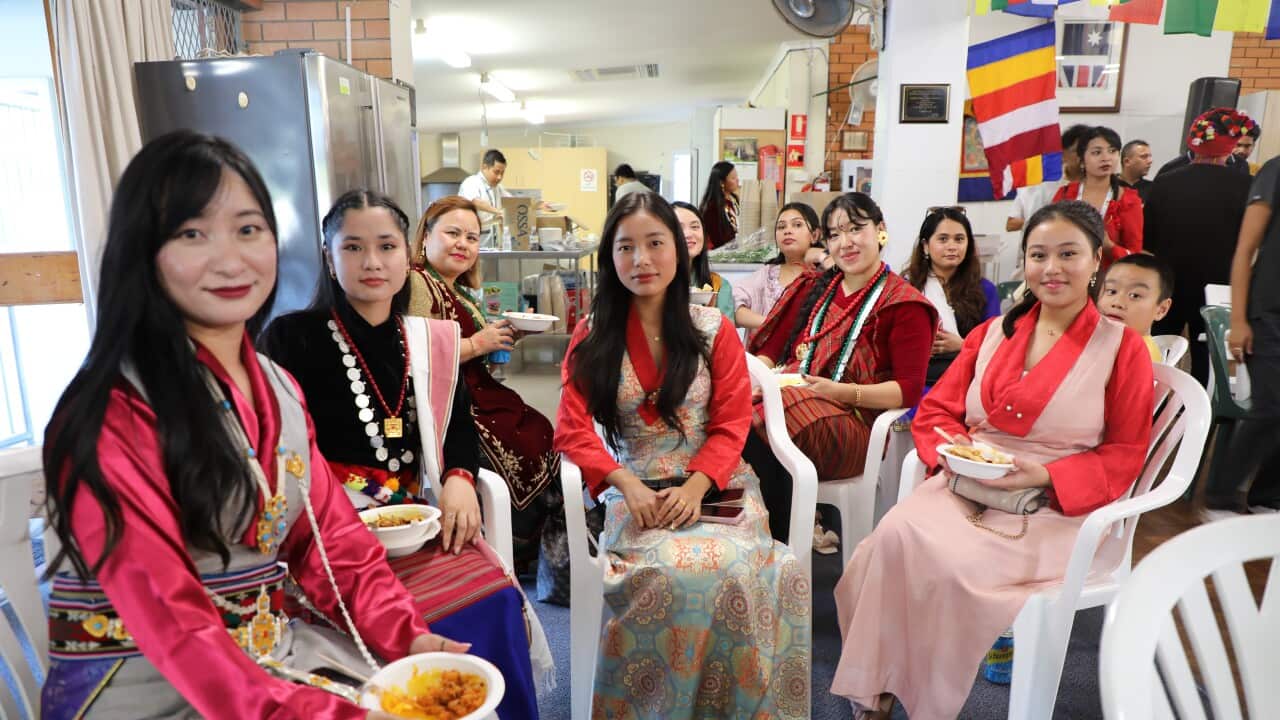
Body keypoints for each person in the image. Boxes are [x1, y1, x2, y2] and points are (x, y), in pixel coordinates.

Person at [39, 131, 467, 719]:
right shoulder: (112, 410)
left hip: (269, 657)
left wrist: (406, 637)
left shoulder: (275, 384)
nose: (230, 259)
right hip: (147, 684)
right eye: (193, 233)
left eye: (248, 230)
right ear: (141, 252)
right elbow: (173, 621)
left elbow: (330, 540)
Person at [832, 200, 1154, 720]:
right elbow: (937, 410)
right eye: (1038, 255)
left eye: (1068, 254)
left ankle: (922, 696)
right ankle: (879, 682)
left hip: (1052, 504)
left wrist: (1047, 473)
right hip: (968, 480)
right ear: (1023, 262)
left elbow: (1124, 453)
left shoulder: (1123, 349)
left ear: (1097, 260)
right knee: (890, 539)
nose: (1051, 269)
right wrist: (958, 452)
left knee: (954, 566)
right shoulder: (990, 335)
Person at [260, 189, 549, 718]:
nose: (373, 262)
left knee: (496, 598)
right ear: (328, 255)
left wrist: (461, 477)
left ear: (405, 255)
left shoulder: (428, 339)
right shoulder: (290, 338)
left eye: (386, 246)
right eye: (352, 247)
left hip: (414, 521)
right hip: (323, 534)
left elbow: (458, 421)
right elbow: (276, 447)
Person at [554, 191, 811, 719]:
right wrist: (624, 484)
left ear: (680, 250)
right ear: (610, 258)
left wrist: (698, 486)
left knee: (743, 568)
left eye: (655, 244)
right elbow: (572, 431)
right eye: (626, 248)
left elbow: (733, 420)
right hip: (637, 493)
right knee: (672, 573)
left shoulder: (712, 329)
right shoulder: (592, 333)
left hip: (720, 487)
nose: (642, 260)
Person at [405, 197, 573, 603]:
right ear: (426, 236)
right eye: (452, 233)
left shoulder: (457, 291)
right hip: (450, 401)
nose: (463, 243)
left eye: (472, 237)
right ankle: (520, 544)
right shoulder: (416, 283)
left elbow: (472, 351)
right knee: (523, 443)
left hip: (479, 388)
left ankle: (542, 546)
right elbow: (415, 353)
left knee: (540, 429)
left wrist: (499, 341)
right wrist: (479, 342)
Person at [745, 193, 937, 541]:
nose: (844, 242)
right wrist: (758, 378)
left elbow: (907, 390)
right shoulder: (816, 287)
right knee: (738, 409)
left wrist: (840, 391)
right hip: (795, 399)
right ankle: (767, 537)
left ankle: (775, 542)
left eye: (855, 229)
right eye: (834, 234)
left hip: (855, 425)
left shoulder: (906, 305)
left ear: (880, 230)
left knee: (770, 417)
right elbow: (770, 348)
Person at [1144, 108, 1255, 383]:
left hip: (1169, 280)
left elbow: (1149, 238)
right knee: (1208, 353)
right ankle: (1203, 416)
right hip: (1219, 284)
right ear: (1229, 150)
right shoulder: (1247, 185)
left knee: (1159, 346)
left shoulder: (1166, 181)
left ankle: (1150, 405)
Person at [1205, 153, 1280, 514]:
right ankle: (1221, 490)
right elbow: (1244, 251)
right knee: (1271, 405)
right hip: (1269, 314)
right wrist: (1238, 319)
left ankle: (1268, 493)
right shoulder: (1276, 170)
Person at [902, 206, 1001, 384]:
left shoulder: (985, 290)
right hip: (915, 381)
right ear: (925, 246)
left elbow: (997, 345)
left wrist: (963, 346)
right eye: (943, 239)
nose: (952, 246)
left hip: (967, 382)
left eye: (959, 239)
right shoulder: (907, 288)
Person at [1053, 126, 1143, 269]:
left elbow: (1135, 257)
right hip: (1066, 274)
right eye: (1097, 152)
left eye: (1112, 151)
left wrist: (1109, 247)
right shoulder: (1065, 194)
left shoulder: (1129, 201)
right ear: (1082, 160)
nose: (1106, 158)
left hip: (1108, 283)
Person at [733, 202, 823, 332]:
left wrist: (823, 256)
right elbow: (732, 307)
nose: (787, 231)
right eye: (781, 227)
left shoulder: (827, 274)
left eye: (797, 225)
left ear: (815, 235)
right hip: (765, 351)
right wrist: (771, 323)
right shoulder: (767, 275)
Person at [1006, 124, 1088, 232]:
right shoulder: (1041, 180)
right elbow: (1011, 224)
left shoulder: (1098, 184)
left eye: (1092, 151)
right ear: (1063, 152)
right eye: (1078, 151)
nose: (1083, 156)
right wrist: (1040, 221)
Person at [1097, 253, 1174, 363]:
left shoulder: (1137, 356)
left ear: (1161, 309)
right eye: (1111, 291)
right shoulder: (1110, 343)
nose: (1117, 303)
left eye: (1135, 295)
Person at [673, 200, 735, 320]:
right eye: (679, 228)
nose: (688, 234)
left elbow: (727, 335)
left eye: (695, 227)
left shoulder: (719, 286)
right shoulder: (655, 283)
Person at [459, 149, 510, 246]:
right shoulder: (472, 182)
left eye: (502, 173)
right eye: (496, 172)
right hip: (474, 237)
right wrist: (497, 211)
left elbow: (512, 201)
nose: (499, 177)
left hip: (492, 236)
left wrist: (536, 205)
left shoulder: (498, 188)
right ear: (484, 167)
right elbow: (474, 201)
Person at [699, 160, 740, 249]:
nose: (738, 180)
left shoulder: (734, 200)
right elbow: (717, 239)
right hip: (720, 254)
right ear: (722, 183)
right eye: (733, 178)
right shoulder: (712, 207)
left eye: (737, 176)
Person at [1119, 139, 1154, 203]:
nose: (1150, 161)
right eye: (1144, 157)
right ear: (1127, 161)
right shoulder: (1109, 186)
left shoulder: (1153, 189)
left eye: (1150, 156)